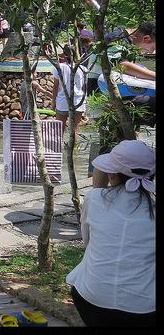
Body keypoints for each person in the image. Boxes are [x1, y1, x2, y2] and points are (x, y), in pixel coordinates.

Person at [65, 139, 155, 328]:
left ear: (112, 174)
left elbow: (88, 241)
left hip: (91, 302)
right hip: (144, 311)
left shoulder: (94, 199)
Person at [33, 44, 87, 139]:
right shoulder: (82, 69)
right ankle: (74, 152)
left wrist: (53, 101)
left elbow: (56, 87)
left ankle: (58, 151)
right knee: (75, 130)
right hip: (78, 101)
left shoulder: (60, 67)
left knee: (59, 130)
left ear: (63, 55)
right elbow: (83, 88)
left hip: (63, 101)